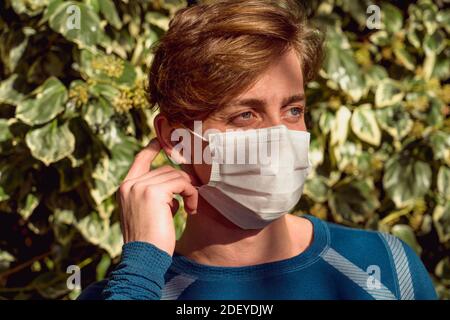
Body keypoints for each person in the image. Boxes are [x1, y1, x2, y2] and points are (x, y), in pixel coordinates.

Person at [78, 0, 437, 300]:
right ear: (176, 138)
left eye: (293, 110)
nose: (280, 137)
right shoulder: (131, 290)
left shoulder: (387, 265)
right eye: (245, 115)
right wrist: (141, 273)